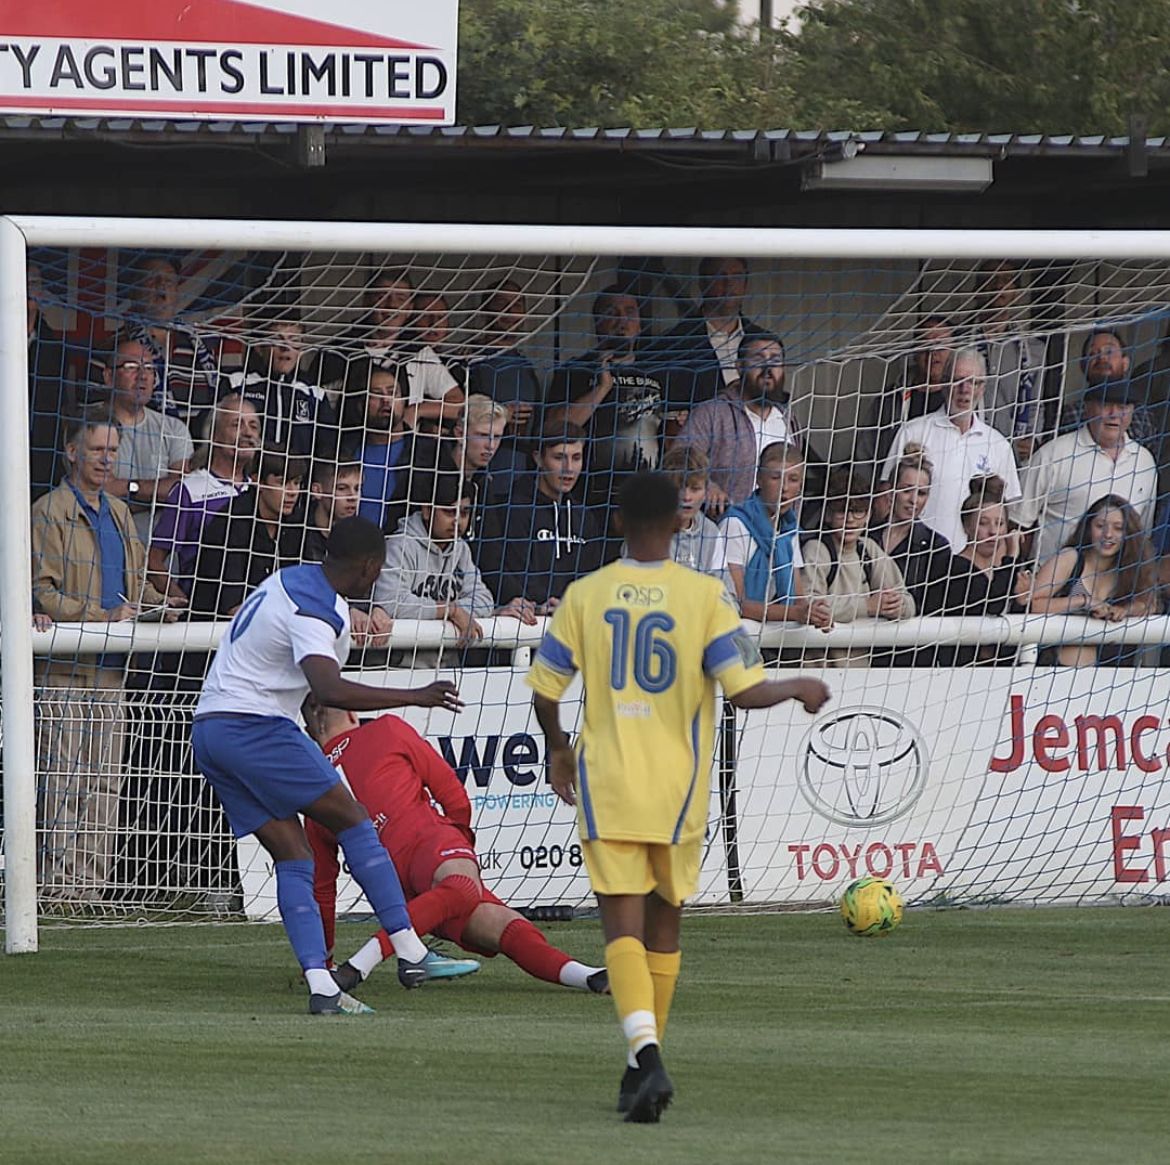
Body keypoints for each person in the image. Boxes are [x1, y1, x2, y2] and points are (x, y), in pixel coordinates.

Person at [527, 470, 831, 1123]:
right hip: (680, 789)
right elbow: (745, 692)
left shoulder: (587, 593)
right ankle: (641, 1063)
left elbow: (545, 688)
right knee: (665, 925)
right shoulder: (705, 597)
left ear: (616, 522)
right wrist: (798, 683)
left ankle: (646, 1053)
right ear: (682, 521)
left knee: (620, 929)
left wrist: (558, 748)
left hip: (609, 781)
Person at [191, 516, 465, 1014]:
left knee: (295, 853)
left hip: (209, 731)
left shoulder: (290, 579)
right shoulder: (317, 609)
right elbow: (328, 690)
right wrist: (417, 695)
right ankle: (409, 949)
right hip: (254, 726)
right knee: (354, 820)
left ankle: (322, 987)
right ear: (369, 567)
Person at [302, 703, 609, 994]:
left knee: (504, 926)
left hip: (402, 897)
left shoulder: (317, 796)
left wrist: (324, 961)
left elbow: (323, 890)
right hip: (430, 845)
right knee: (464, 889)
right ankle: (361, 964)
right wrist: (460, 846)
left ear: (309, 732)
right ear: (354, 713)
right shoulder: (386, 729)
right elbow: (452, 793)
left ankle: (589, 977)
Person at [31, 414, 181, 900]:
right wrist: (104, 616)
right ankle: (57, 887)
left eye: (112, 451)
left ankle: (92, 886)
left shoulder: (118, 513)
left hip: (113, 673)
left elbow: (137, 588)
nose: (106, 459)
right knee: (62, 779)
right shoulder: (46, 512)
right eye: (97, 450)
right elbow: (41, 594)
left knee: (104, 783)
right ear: (72, 452)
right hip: (65, 669)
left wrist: (163, 607)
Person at [375, 475, 535, 663]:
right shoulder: (400, 546)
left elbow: (484, 601)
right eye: (449, 512)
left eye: (464, 513)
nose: (457, 521)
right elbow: (390, 603)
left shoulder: (461, 548)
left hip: (447, 667)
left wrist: (454, 611)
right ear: (427, 511)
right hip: (396, 669)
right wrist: (450, 612)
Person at [883, 347, 1021, 551]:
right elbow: (886, 497)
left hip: (972, 565)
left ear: (982, 388)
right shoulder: (913, 432)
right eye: (958, 380)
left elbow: (1007, 516)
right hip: (918, 557)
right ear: (944, 384)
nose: (965, 390)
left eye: (973, 382)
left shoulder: (999, 445)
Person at [546, 285, 666, 508]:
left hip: (645, 499)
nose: (622, 321)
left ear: (639, 324)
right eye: (611, 313)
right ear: (597, 323)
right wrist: (601, 389)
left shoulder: (658, 373)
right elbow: (553, 428)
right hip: (590, 500)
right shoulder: (576, 370)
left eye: (630, 312)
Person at [1015, 378, 1158, 564]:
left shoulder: (1144, 461)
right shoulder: (1053, 454)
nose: (1114, 414)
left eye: (1122, 406)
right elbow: (1019, 524)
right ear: (1088, 408)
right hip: (1052, 583)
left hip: (1116, 584)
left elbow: (1142, 532)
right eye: (1106, 404)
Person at [477, 422, 609, 612]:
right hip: (527, 622)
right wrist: (542, 604)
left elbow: (592, 578)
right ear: (538, 458)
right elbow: (511, 574)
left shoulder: (584, 517)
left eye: (576, 458)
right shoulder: (513, 509)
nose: (569, 468)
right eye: (559, 457)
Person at [676, 332, 810, 515]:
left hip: (778, 535)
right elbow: (677, 463)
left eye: (775, 360)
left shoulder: (789, 419)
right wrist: (708, 487)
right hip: (725, 532)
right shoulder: (712, 413)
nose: (767, 367)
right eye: (758, 359)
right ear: (739, 367)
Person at [147, 392, 261, 599]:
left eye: (254, 426)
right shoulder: (191, 490)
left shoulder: (262, 492)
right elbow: (153, 561)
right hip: (206, 615)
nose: (248, 433)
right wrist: (184, 603)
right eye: (237, 424)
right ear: (214, 435)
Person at [1026, 494, 1159, 667]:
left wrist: (1124, 610)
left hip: (1111, 671)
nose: (1108, 534)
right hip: (1056, 669)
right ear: (1088, 528)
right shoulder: (1070, 558)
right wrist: (1083, 602)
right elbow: (1033, 604)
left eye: (1118, 528)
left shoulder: (1131, 568)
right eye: (1100, 526)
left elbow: (1149, 603)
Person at [322, 269, 464, 429]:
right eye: (382, 297)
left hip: (404, 449)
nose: (392, 305)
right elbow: (317, 405)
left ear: (410, 308)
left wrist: (416, 411)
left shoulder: (419, 353)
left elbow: (458, 403)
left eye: (400, 298)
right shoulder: (339, 351)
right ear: (366, 302)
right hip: (348, 447)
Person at [802, 469, 914, 666]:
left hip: (860, 672)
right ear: (828, 514)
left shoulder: (868, 549)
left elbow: (907, 601)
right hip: (818, 670)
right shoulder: (817, 549)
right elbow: (810, 606)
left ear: (868, 514)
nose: (850, 519)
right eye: (842, 511)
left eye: (858, 511)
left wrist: (897, 606)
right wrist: (868, 606)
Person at [721, 442, 832, 629]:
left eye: (793, 479)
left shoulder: (789, 528)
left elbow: (798, 598)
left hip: (778, 638)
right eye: (775, 478)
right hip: (738, 635)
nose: (784, 488)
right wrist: (795, 613)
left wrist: (814, 612)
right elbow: (736, 603)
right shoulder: (734, 524)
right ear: (758, 479)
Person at [188, 448, 307, 620]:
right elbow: (232, 606)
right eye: (282, 482)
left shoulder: (299, 521)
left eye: (297, 483)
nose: (292, 492)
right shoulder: (231, 520)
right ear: (257, 481)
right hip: (217, 630)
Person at [100, 336, 195, 544]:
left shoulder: (173, 428)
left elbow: (182, 491)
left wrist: (127, 490)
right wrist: (155, 495)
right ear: (108, 376)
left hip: (161, 556)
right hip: (102, 545)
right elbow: (95, 492)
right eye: (131, 366)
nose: (142, 376)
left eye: (150, 368)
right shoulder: (89, 424)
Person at [938, 476, 1031, 665]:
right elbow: (993, 606)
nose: (992, 532)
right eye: (983, 523)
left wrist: (1021, 602)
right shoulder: (955, 567)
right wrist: (1011, 556)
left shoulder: (1003, 573)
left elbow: (1014, 635)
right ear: (967, 526)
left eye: (999, 524)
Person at [301, 459, 393, 652]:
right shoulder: (297, 537)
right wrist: (346, 610)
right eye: (342, 488)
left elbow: (375, 590)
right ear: (317, 490)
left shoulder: (367, 536)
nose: (353, 497)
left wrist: (379, 609)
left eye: (357, 488)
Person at [653, 257, 770, 409]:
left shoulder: (766, 342)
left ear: (745, 284)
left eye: (737, 277)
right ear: (703, 283)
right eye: (720, 276)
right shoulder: (673, 344)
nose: (729, 284)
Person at [123, 253, 221, 423]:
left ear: (177, 291)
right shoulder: (114, 346)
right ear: (134, 290)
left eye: (168, 281)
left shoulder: (200, 348)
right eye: (151, 280)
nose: (161, 286)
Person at [465, 280, 543, 489]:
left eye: (517, 305)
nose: (509, 311)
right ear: (485, 309)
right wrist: (501, 414)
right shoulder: (469, 360)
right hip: (479, 480)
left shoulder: (527, 366)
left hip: (520, 484)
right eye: (501, 303)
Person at [973, 260, 1054, 460]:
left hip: (1009, 453)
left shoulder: (1033, 350)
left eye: (1006, 280)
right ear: (977, 290)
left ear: (1016, 292)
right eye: (991, 278)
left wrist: (1033, 438)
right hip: (965, 447)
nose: (999, 286)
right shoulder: (959, 342)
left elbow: (1036, 403)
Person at [226, 315, 336, 457]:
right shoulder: (236, 383)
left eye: (294, 340)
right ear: (260, 347)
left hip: (296, 477)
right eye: (276, 339)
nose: (285, 347)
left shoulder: (314, 393)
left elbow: (327, 448)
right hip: (244, 475)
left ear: (301, 350)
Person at [857, 314, 954, 475]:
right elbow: (864, 456)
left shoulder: (965, 398)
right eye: (925, 344)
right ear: (915, 352)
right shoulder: (890, 399)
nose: (933, 352)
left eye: (941, 345)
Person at [869, 443, 955, 620]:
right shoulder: (866, 536)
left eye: (922, 493)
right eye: (907, 490)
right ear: (891, 492)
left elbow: (935, 610)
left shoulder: (937, 547)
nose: (914, 500)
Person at [628, 445, 727, 582]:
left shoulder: (711, 532)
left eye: (695, 489)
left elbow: (726, 593)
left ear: (706, 492)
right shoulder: (646, 530)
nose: (686, 497)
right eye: (677, 488)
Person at [337, 361, 413, 530]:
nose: (386, 400)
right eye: (376, 394)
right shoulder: (343, 450)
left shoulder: (425, 454)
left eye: (392, 393)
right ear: (361, 404)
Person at [27, 261, 77, 500]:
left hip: (41, 465)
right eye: (21, 280)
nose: (26, 289)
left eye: (33, 283)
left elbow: (63, 409)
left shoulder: (54, 347)